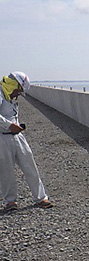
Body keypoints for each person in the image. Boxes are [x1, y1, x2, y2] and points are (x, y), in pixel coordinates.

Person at [0, 71, 53, 211]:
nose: (18, 94)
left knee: (30, 165)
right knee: (6, 171)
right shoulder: (0, 93)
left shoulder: (10, 96)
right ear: (13, 84)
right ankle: (10, 202)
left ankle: (41, 198)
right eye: (19, 90)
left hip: (17, 136)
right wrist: (9, 125)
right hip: (2, 137)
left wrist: (15, 126)